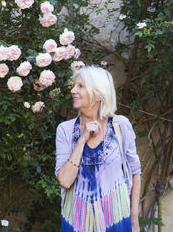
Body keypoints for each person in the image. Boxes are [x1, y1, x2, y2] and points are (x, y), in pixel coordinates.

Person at [55, 65, 141, 232]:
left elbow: (135, 172)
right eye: (74, 85)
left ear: (98, 92)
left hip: (117, 220)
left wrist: (134, 218)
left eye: (80, 86)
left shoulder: (120, 125)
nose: (73, 90)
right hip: (77, 222)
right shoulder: (64, 129)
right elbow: (64, 181)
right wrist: (81, 141)